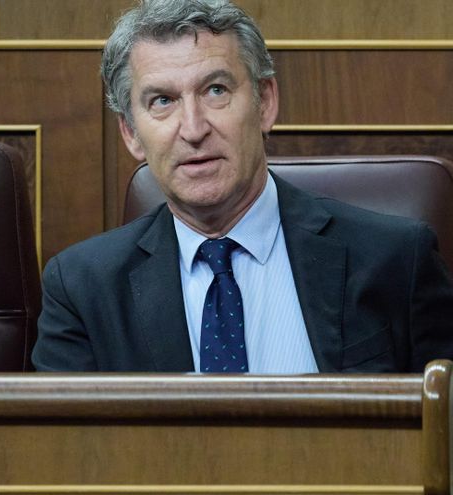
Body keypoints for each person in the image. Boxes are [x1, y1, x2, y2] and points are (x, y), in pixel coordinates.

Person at [32, 0, 453, 373]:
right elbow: (65, 457)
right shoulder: (83, 290)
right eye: (162, 101)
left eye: (216, 90)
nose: (193, 129)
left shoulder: (394, 259)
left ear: (265, 102)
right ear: (131, 134)